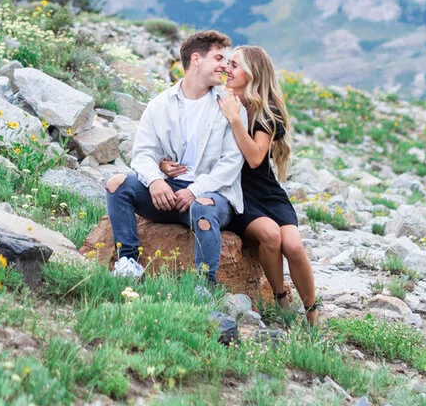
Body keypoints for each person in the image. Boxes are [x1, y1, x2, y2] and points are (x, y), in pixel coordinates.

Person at [162, 45, 319, 325]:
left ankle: (312, 311)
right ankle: (281, 297)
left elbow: (256, 158)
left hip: (265, 190)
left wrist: (235, 119)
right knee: (271, 235)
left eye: (234, 65)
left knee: (294, 245)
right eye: (227, 63)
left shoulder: (266, 112)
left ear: (252, 72)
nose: (226, 69)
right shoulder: (217, 100)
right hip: (234, 190)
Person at [104, 29, 245, 286]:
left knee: (203, 206)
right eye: (218, 59)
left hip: (211, 195)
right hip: (168, 194)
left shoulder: (229, 105)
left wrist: (194, 191)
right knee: (116, 184)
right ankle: (128, 264)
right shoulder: (160, 104)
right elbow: (143, 154)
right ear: (196, 59)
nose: (225, 66)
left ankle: (205, 284)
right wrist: (156, 181)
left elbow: (231, 164)